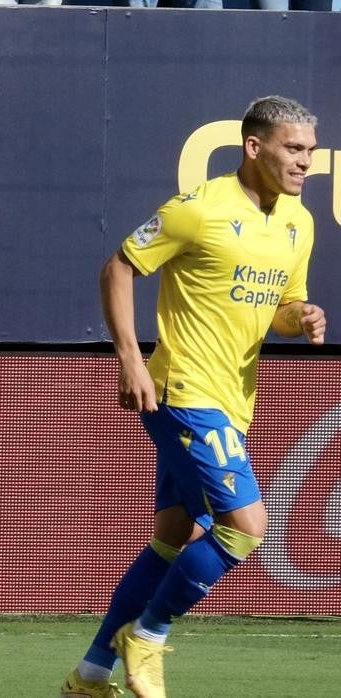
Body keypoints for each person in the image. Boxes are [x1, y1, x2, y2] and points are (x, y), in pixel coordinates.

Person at [61, 95, 325, 698]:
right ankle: (148, 634)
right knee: (246, 526)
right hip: (183, 390)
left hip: (234, 400)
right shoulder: (199, 208)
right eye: (293, 147)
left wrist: (300, 316)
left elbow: (279, 310)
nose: (304, 161)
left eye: (310, 150)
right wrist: (130, 359)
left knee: (174, 535)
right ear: (253, 147)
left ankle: (90, 675)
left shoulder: (298, 221)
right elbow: (118, 268)